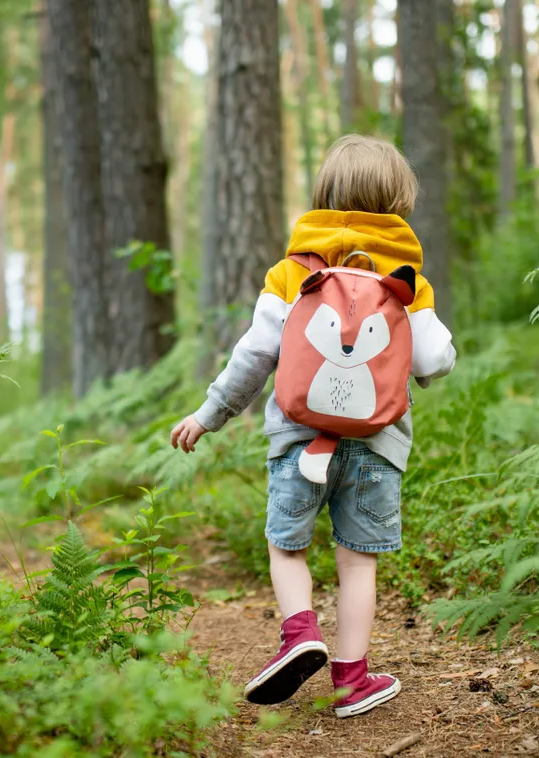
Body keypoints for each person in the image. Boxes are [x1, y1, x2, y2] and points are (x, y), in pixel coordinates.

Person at [170, 134, 456, 719]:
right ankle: (352, 683)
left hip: (298, 442)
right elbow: (432, 363)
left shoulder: (291, 273)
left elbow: (253, 357)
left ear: (325, 195)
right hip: (377, 447)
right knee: (357, 561)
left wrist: (209, 415)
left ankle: (300, 632)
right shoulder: (407, 281)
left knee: (286, 546)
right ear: (398, 204)